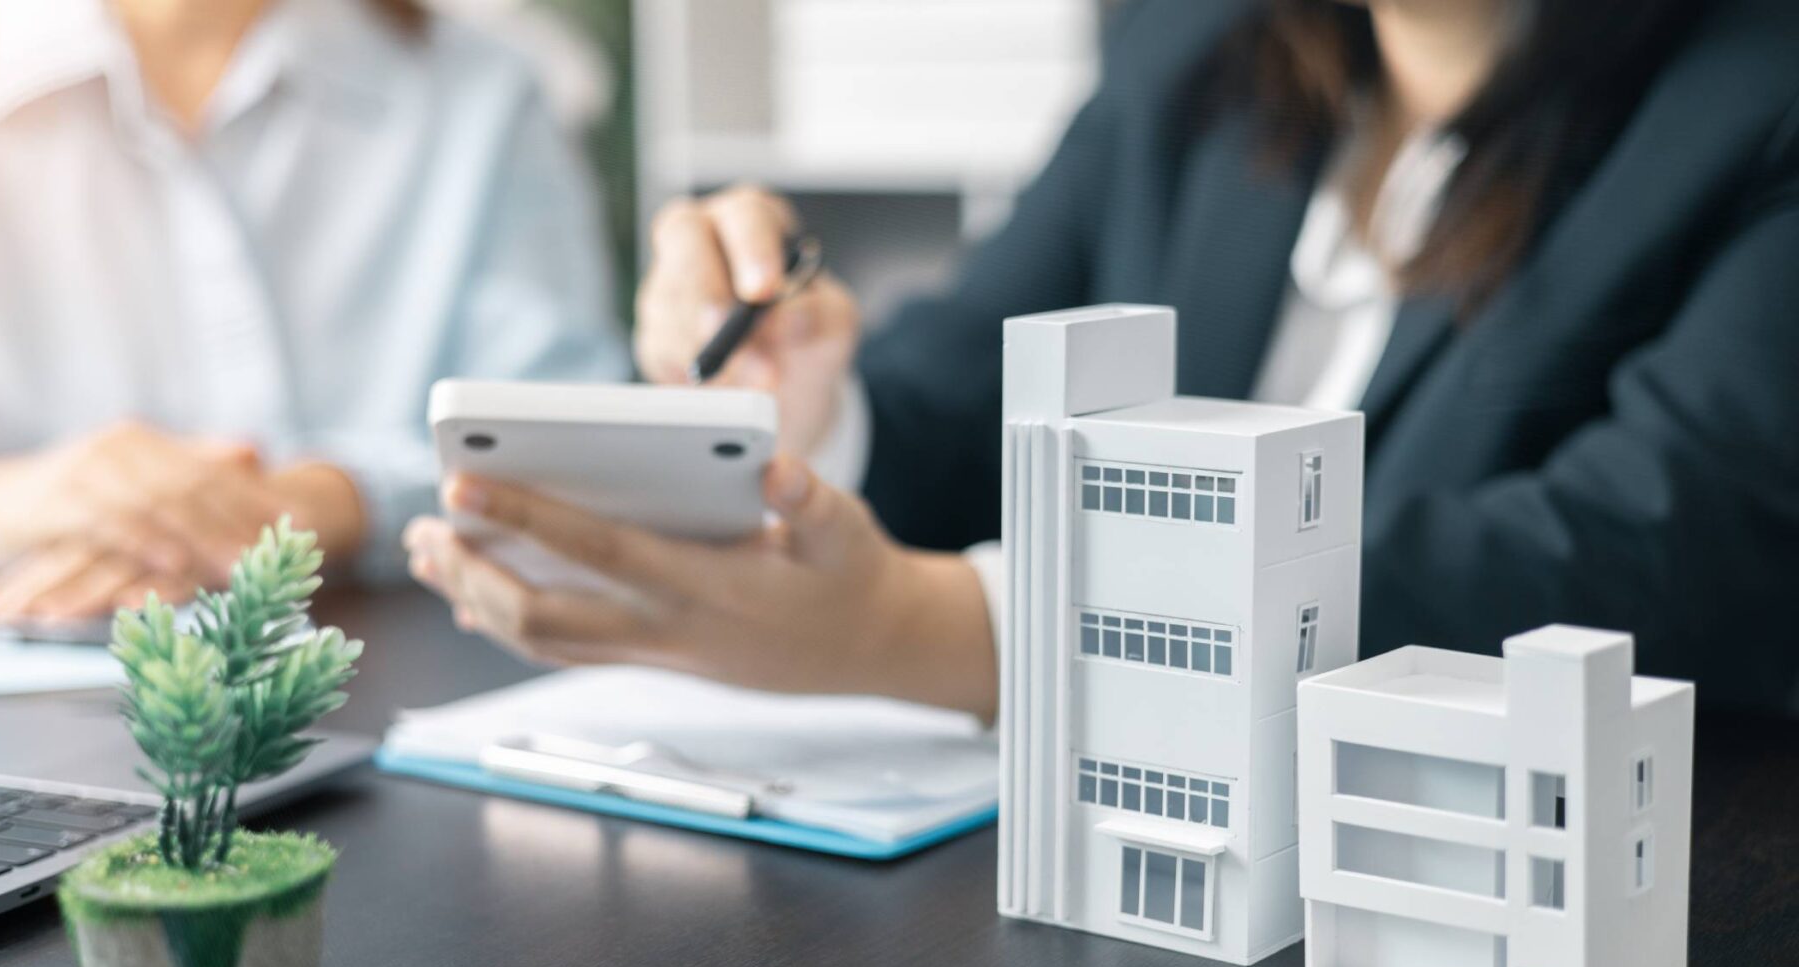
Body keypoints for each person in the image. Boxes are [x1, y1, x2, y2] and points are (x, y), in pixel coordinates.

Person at [406, 0, 1799, 719]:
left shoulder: (1759, 95)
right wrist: (804, 398)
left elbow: (1643, 557)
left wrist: (948, 635)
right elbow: (973, 382)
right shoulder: (1191, 47)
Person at [0, 0, 626, 620]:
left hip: (396, 671)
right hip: (16, 668)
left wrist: (327, 502)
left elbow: (569, 440)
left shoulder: (485, 88)